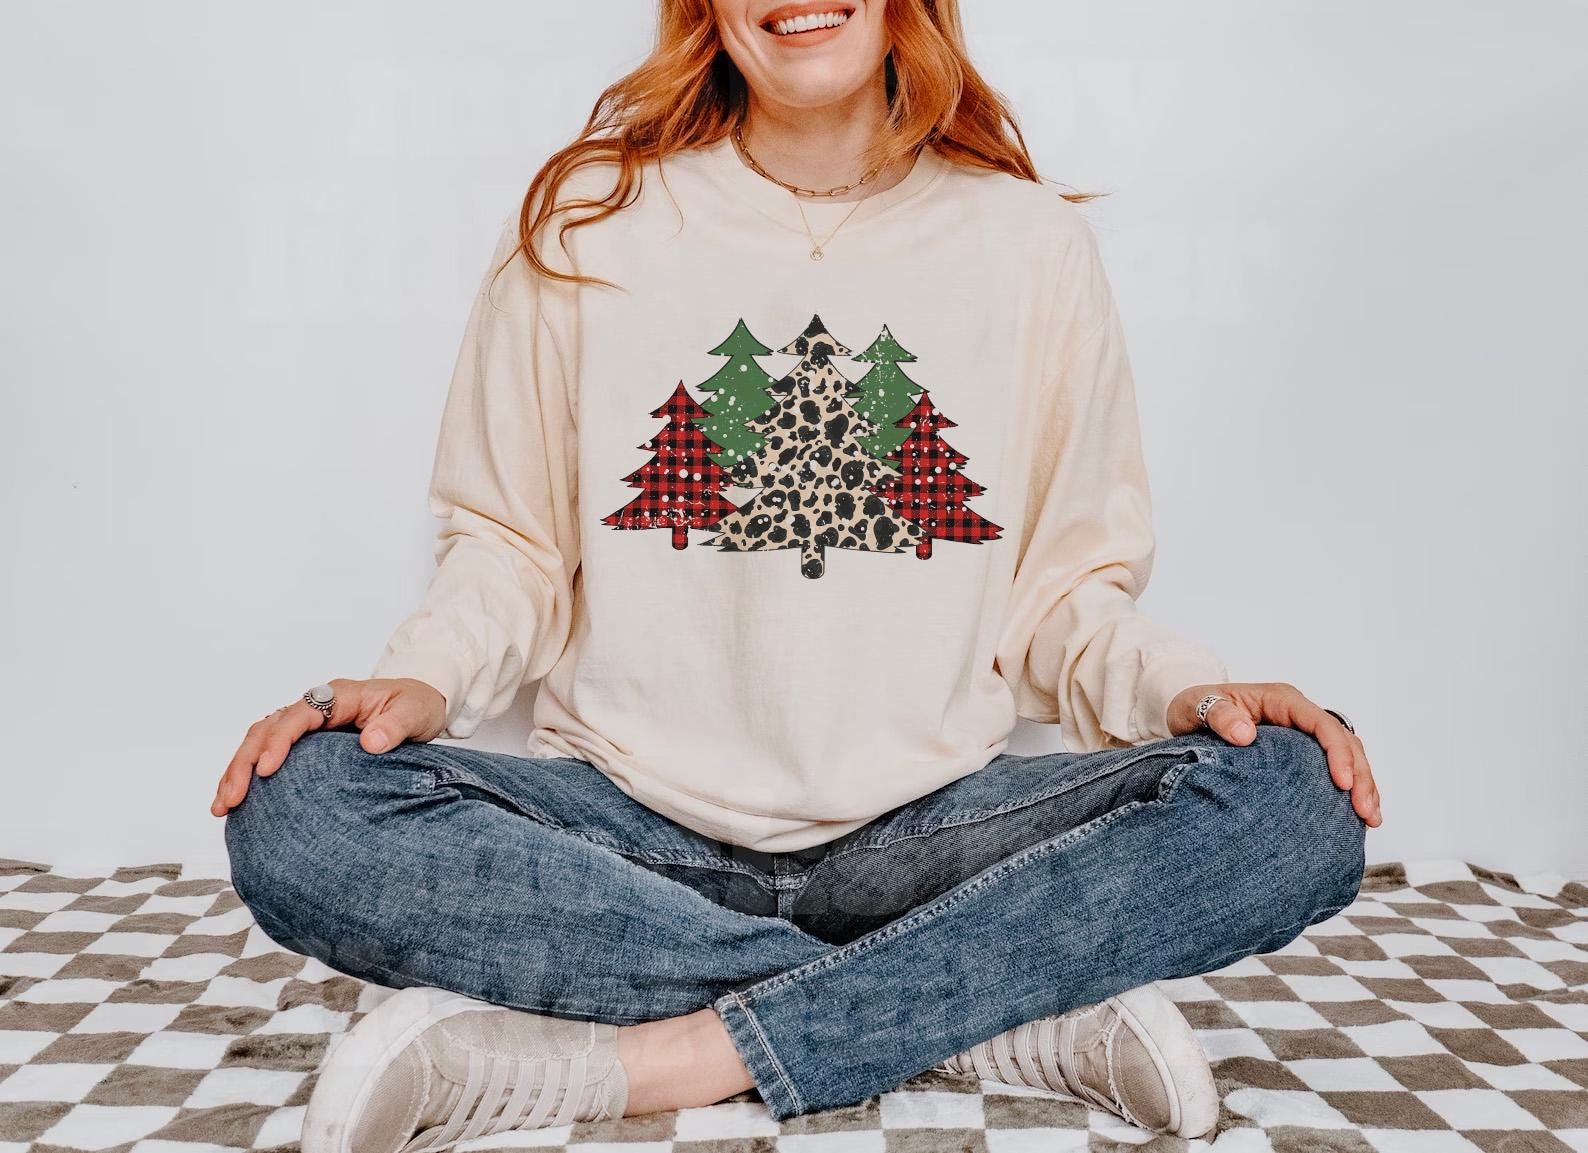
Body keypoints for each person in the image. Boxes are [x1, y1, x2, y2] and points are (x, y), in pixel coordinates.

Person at [215, 2, 1380, 1150]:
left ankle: (656, 1057)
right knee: (303, 811)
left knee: (1290, 803)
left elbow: (1066, 597)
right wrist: (419, 679)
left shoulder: (1028, 244)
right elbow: (508, 546)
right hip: (628, 832)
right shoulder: (588, 220)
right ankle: (978, 1013)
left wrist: (1190, 695)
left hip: (922, 837)